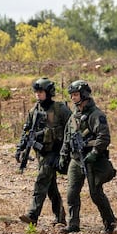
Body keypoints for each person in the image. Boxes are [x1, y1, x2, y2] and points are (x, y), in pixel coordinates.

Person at [57, 80, 117, 234]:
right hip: (76, 159)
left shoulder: (96, 115)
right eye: (71, 95)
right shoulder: (73, 116)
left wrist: (95, 153)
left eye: (76, 95)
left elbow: (104, 137)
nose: (73, 98)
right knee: (71, 193)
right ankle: (73, 224)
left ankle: (109, 221)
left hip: (91, 159)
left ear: (84, 95)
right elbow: (67, 137)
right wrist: (64, 155)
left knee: (95, 193)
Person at [16, 77, 71, 226]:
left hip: (55, 152)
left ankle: (33, 215)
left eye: (41, 92)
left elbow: (72, 128)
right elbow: (26, 131)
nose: (38, 95)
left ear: (48, 92)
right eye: (36, 92)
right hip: (41, 153)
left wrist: (65, 150)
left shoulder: (60, 109)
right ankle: (60, 217)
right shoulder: (34, 111)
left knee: (41, 181)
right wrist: (20, 148)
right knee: (50, 186)